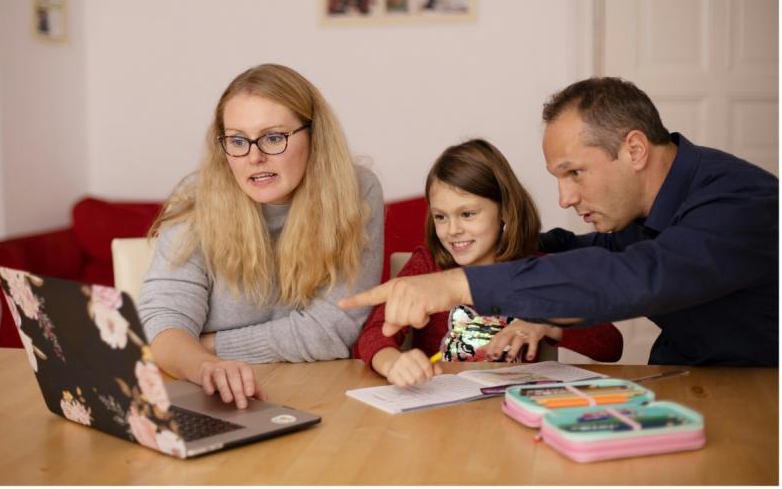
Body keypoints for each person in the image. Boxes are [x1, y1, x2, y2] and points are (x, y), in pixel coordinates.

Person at [341, 77, 778, 367]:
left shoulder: (742, 203)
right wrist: (496, 249)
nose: (565, 198)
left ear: (635, 150)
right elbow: (582, 251)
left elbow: (637, 275)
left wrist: (459, 284)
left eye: (575, 173)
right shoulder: (636, 213)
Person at [138, 63, 384, 409]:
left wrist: (206, 345)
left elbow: (334, 331)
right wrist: (206, 365)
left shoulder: (356, 191)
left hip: (321, 398)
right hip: (212, 397)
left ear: (314, 136)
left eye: (273, 137)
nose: (254, 157)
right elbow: (163, 325)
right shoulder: (196, 200)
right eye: (238, 140)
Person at [354, 139, 623, 387]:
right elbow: (373, 334)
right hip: (440, 415)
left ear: (504, 211)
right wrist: (393, 362)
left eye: (467, 214)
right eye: (441, 217)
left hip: (513, 411)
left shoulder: (536, 271)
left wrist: (550, 322)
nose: (453, 229)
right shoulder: (427, 265)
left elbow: (611, 345)